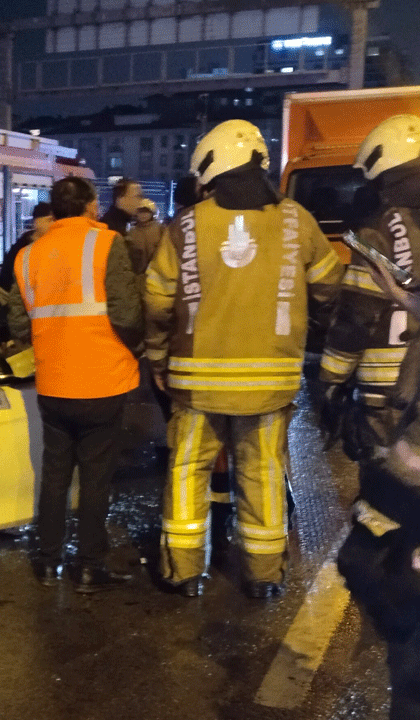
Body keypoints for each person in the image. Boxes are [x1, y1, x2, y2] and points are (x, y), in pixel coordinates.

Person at [144, 120, 343, 598]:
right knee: (263, 473)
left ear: (212, 166)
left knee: (187, 472)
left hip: (195, 383)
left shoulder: (187, 224)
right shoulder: (297, 219)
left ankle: (184, 570)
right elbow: (330, 285)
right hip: (271, 381)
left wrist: (156, 357)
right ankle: (264, 575)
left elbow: (155, 298)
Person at [6, 176, 144, 592]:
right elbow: (126, 313)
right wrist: (133, 349)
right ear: (89, 206)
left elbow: (17, 323)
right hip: (102, 381)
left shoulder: (28, 257)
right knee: (96, 478)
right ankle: (88, 566)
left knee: (55, 476)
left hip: (53, 384)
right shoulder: (106, 245)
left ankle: (48, 562)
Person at [330, 114, 420, 720]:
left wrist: (332, 388)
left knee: (373, 553)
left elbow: (355, 320)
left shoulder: (377, 236)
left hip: (394, 411)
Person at [0, 202, 52, 289]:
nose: (53, 224)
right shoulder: (20, 249)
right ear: (36, 222)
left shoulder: (52, 246)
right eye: (49, 220)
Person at [126, 198, 163, 278]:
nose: (143, 215)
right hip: (138, 274)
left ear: (152, 213)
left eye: (146, 212)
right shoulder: (132, 232)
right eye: (140, 212)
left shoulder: (160, 229)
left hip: (157, 274)